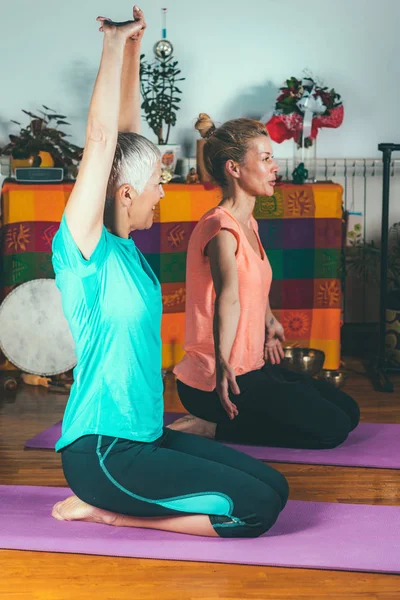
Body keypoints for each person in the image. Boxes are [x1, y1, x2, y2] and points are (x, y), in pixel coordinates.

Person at [50, 8, 288, 539]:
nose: (163, 191)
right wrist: (112, 46)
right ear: (128, 194)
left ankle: (116, 504)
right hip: (103, 449)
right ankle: (110, 511)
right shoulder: (83, 252)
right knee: (254, 510)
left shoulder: (126, 249)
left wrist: (135, 50)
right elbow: (102, 144)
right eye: (156, 184)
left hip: (145, 435)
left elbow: (126, 143)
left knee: (276, 487)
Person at [171, 114, 360, 449]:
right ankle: (211, 428)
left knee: (349, 411)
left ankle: (240, 415)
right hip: (221, 380)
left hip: (252, 366)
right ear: (234, 168)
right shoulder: (221, 228)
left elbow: (252, 283)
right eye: (266, 158)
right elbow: (228, 298)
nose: (275, 167)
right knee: (331, 430)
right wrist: (223, 361)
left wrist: (269, 320)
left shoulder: (249, 224)